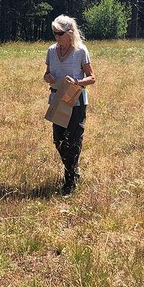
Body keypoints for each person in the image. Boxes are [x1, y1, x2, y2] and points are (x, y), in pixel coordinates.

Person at [43, 15, 96, 195]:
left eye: (60, 33)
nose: (56, 37)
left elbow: (92, 78)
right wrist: (47, 77)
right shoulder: (51, 51)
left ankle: (70, 180)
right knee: (58, 141)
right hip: (57, 99)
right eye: (54, 33)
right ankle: (73, 169)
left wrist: (77, 81)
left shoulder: (81, 51)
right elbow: (47, 74)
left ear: (70, 33)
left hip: (76, 101)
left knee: (73, 141)